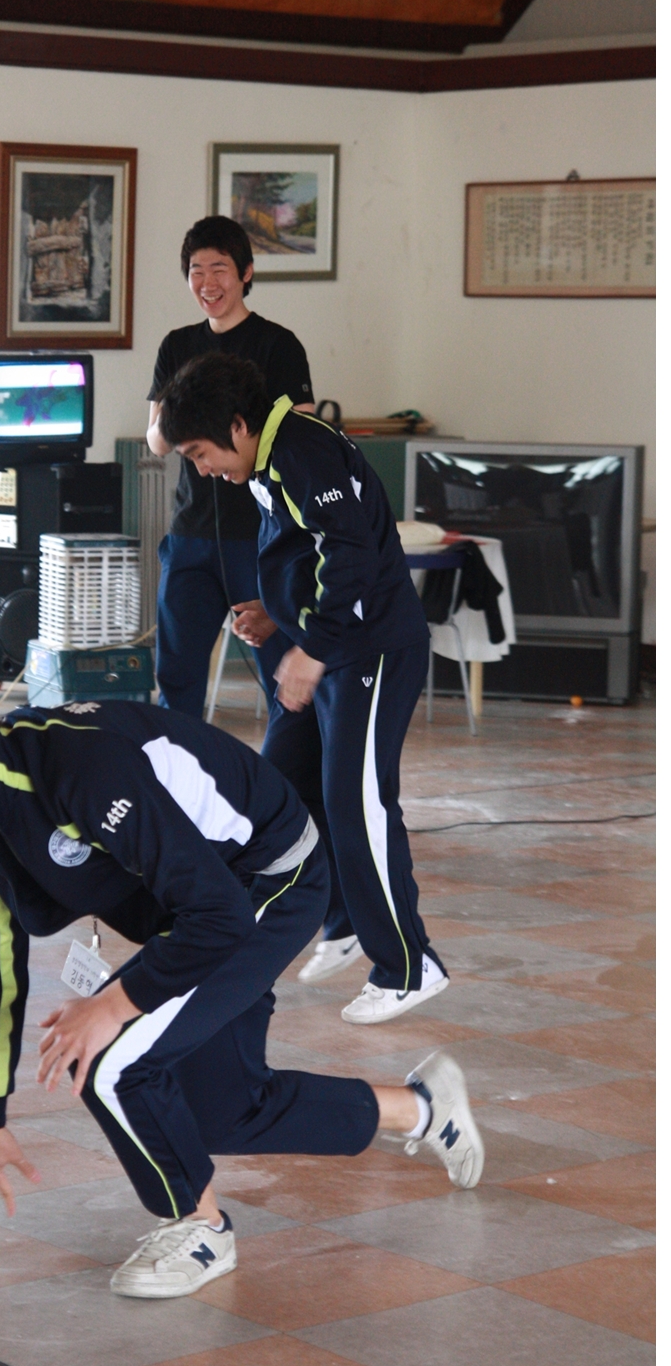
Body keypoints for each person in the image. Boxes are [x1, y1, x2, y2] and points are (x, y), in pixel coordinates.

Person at [0, 687, 482, 1299]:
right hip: (192, 910)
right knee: (219, 1111)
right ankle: (424, 1108)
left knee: (109, 1058)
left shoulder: (82, 768)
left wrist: (112, 1005)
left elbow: (219, 916)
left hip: (269, 881)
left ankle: (199, 1230)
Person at [155, 352, 452, 1025]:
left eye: (200, 454)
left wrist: (311, 648)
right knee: (282, 790)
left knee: (358, 801)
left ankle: (408, 966)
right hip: (327, 646)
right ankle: (342, 923)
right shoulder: (267, 459)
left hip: (369, 649)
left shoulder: (300, 451)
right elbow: (306, 549)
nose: (202, 470)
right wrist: (277, 611)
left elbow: (350, 554)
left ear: (237, 426)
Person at [146, 215, 358, 963]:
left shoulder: (277, 344)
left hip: (261, 535)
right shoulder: (176, 344)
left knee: (283, 687)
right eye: (195, 271)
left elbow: (293, 433)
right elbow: (157, 436)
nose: (207, 283)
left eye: (218, 269)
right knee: (176, 673)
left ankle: (284, 814)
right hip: (191, 533)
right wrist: (177, 424)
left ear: (244, 273)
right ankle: (182, 807)